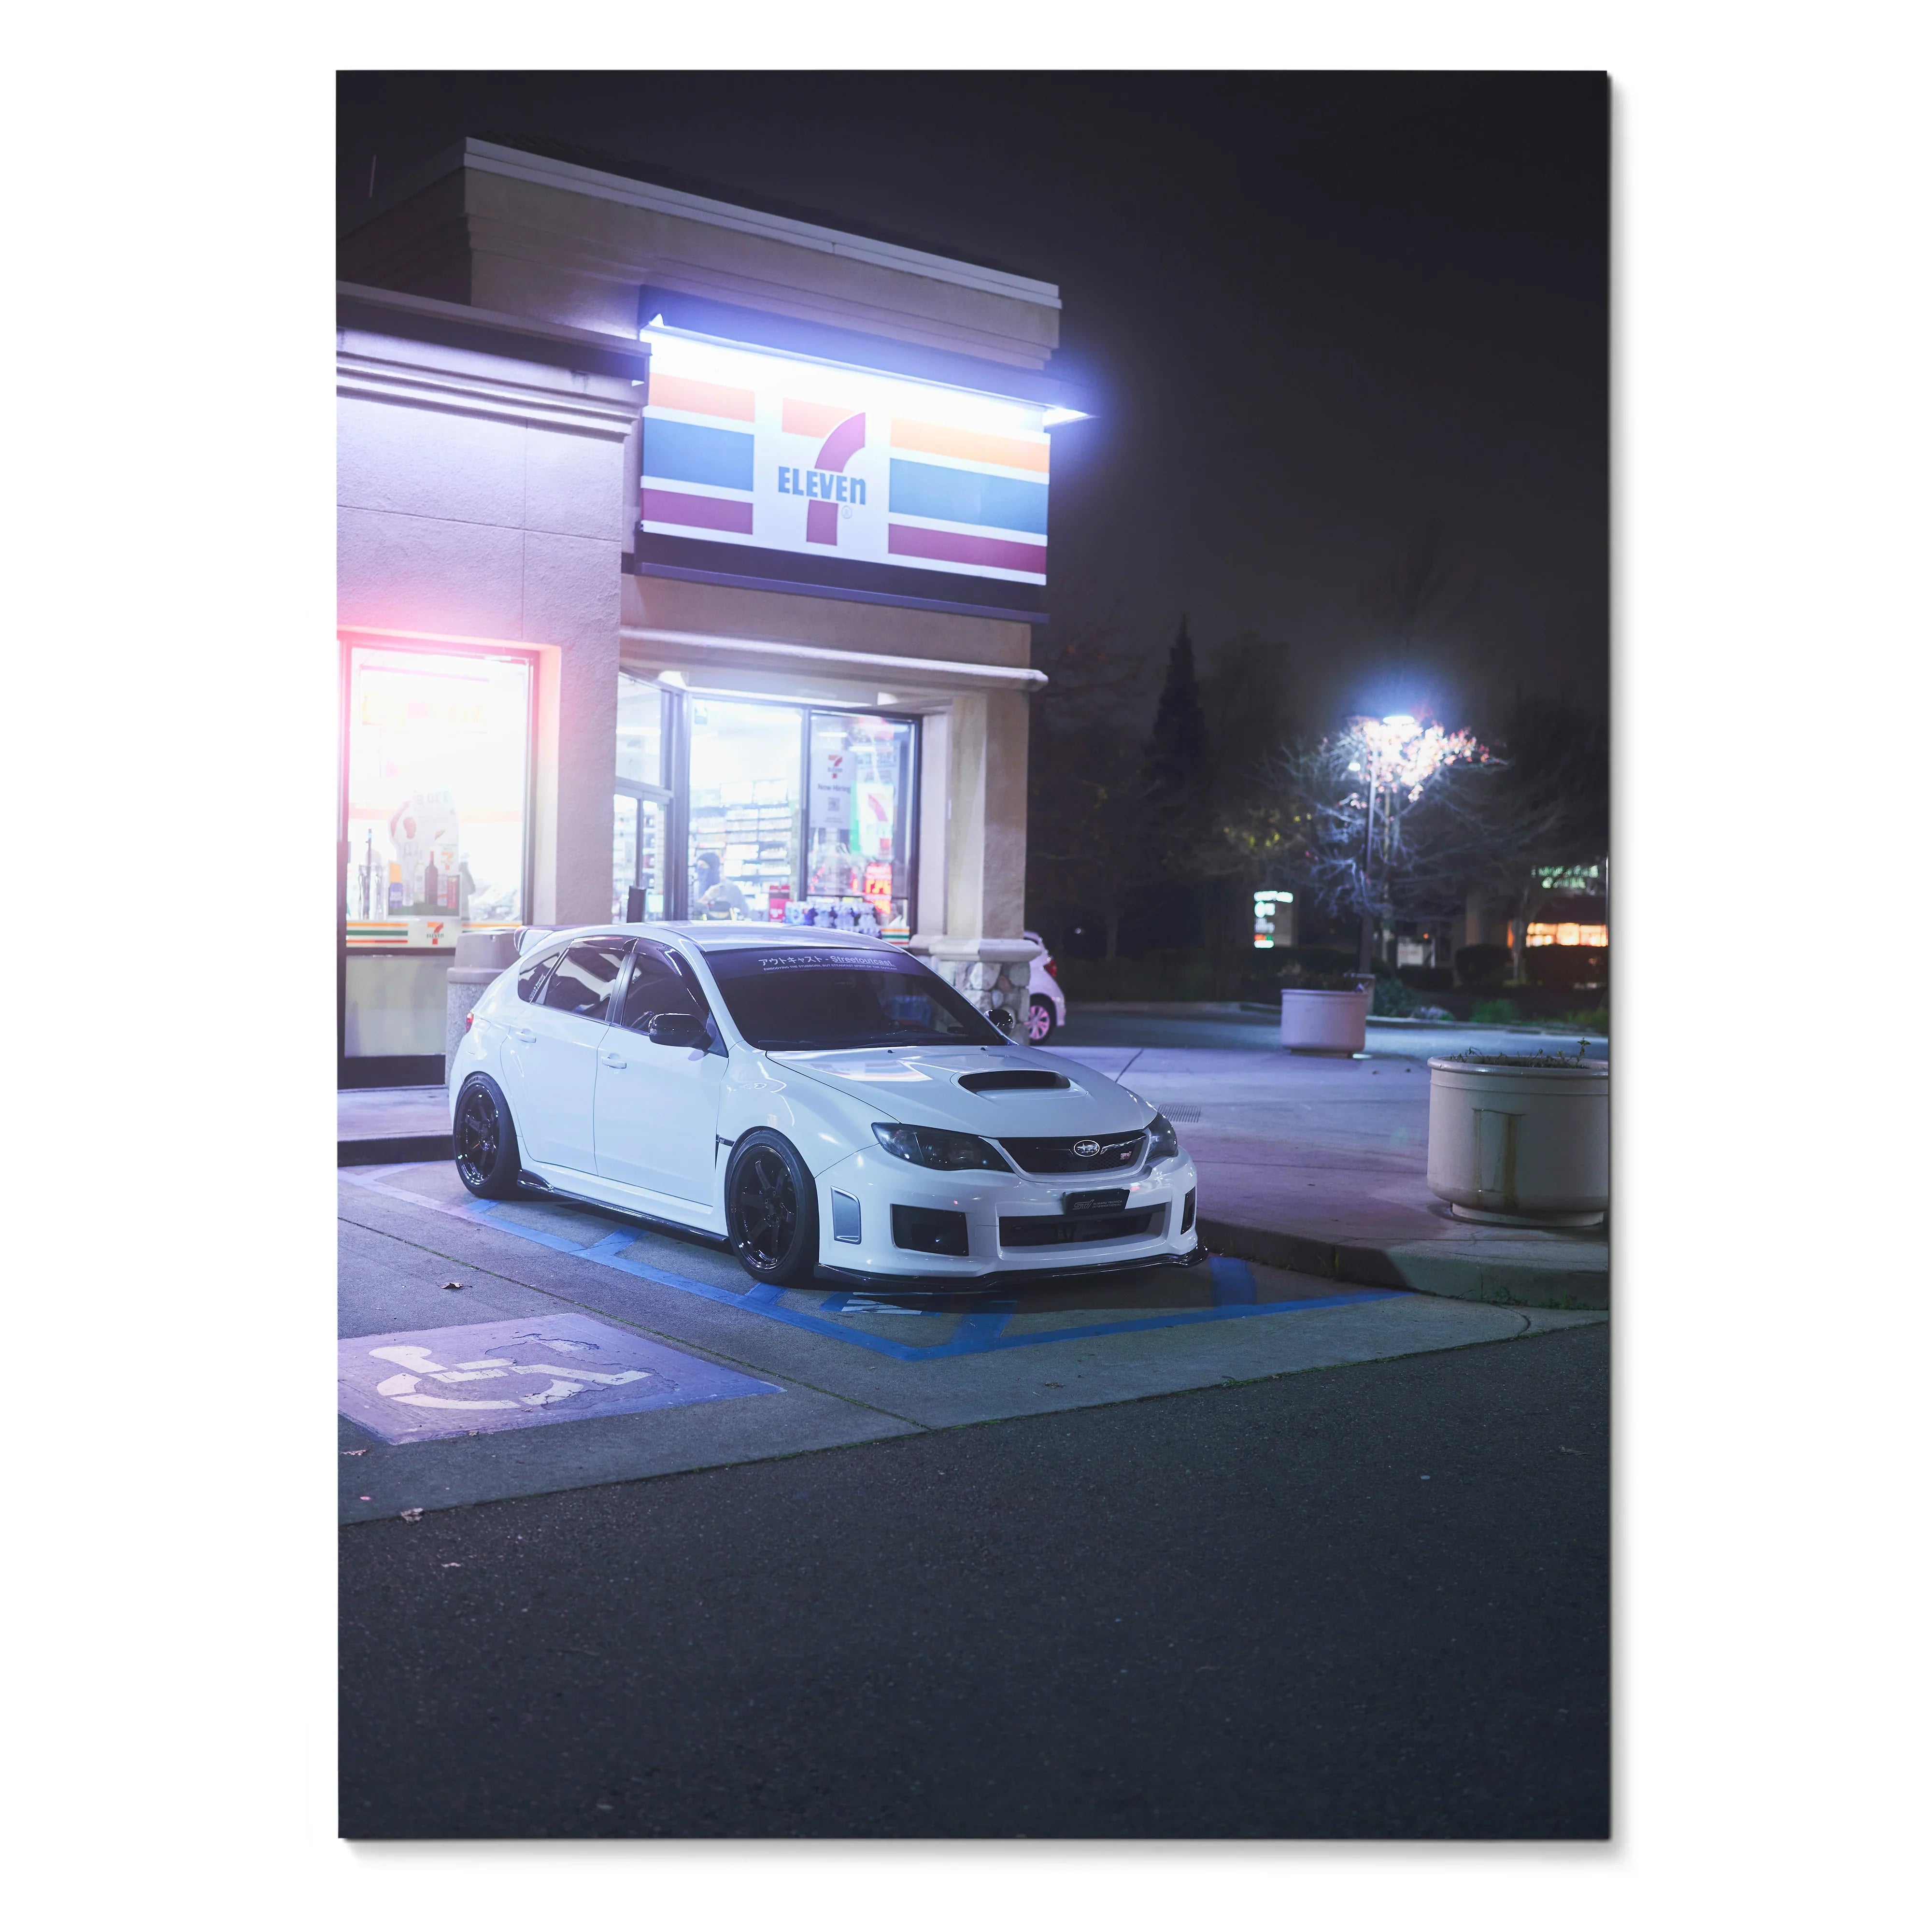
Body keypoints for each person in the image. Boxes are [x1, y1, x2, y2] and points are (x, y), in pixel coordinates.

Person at [692, 850, 750, 920]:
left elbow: (745, 911)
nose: (700, 869)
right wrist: (707, 897)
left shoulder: (730, 888)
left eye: (703, 865)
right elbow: (692, 912)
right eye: (698, 866)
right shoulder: (695, 887)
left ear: (713, 868)